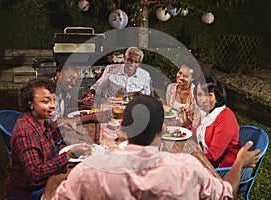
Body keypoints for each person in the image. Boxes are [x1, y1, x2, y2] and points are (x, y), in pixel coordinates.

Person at [53, 95, 260, 199]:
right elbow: (226, 193)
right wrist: (240, 161)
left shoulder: (89, 170)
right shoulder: (188, 169)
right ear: (161, 130)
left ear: (123, 127)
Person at [5, 77, 86, 200]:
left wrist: (61, 130)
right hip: (27, 192)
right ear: (30, 104)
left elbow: (49, 141)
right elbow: (36, 173)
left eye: (54, 100)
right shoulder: (25, 132)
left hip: (43, 181)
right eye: (46, 101)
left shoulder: (40, 121)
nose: (53, 106)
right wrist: (68, 155)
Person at [192, 77, 241, 168]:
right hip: (204, 159)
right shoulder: (205, 112)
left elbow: (213, 156)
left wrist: (188, 158)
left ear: (217, 97)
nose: (203, 100)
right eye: (199, 94)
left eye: (208, 95)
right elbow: (196, 137)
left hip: (222, 168)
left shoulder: (225, 117)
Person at [48, 63, 110, 130]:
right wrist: (90, 117)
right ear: (59, 75)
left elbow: (68, 100)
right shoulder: (49, 91)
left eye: (75, 80)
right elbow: (53, 124)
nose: (74, 83)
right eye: (71, 78)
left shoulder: (61, 87)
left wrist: (83, 102)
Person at [166, 57, 200, 128]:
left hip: (189, 131)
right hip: (170, 128)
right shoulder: (171, 88)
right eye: (180, 73)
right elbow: (168, 113)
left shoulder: (197, 93)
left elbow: (197, 120)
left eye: (185, 76)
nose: (180, 77)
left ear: (192, 78)